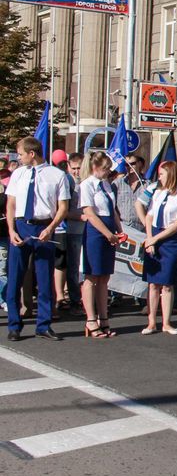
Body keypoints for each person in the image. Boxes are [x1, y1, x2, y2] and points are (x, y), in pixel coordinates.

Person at [5, 137, 69, 341]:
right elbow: (11, 204)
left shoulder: (56, 175)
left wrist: (51, 228)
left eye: (21, 154)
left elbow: (63, 207)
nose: (19, 158)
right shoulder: (17, 174)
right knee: (15, 277)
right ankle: (14, 325)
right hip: (21, 226)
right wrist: (11, 229)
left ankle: (43, 325)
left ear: (32, 154)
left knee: (44, 278)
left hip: (44, 227)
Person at [141, 160, 177, 335]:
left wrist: (155, 239)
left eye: (162, 174)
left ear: (170, 174)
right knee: (153, 282)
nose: (159, 177)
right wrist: (149, 239)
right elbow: (149, 216)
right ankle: (151, 321)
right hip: (154, 235)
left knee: (167, 283)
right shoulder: (158, 193)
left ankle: (167, 323)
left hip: (170, 240)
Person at [78, 151, 122, 338]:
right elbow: (89, 213)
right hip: (96, 232)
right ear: (95, 167)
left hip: (109, 228)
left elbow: (113, 211)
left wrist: (119, 231)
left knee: (104, 276)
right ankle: (90, 319)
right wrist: (107, 233)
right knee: (91, 276)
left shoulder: (106, 185)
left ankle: (104, 317)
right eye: (104, 169)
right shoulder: (86, 185)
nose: (107, 172)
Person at [55, 152, 84, 312]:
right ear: (68, 167)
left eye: (79, 168)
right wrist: (83, 217)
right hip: (72, 230)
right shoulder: (66, 182)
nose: (76, 171)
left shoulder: (88, 181)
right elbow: (63, 210)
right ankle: (74, 300)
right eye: (73, 168)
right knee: (73, 267)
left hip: (88, 230)